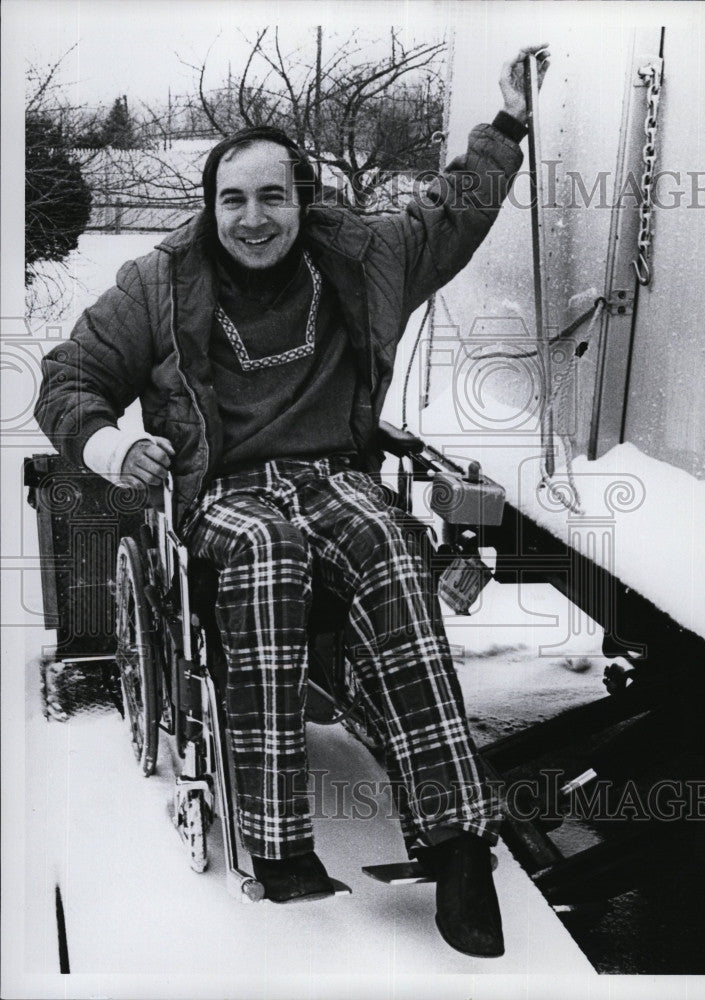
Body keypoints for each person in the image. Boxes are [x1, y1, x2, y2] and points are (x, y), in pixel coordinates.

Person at [35, 45, 550, 958]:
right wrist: (113, 443)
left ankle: (458, 840)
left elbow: (454, 214)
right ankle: (277, 844)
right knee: (266, 552)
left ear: (302, 199)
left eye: (272, 196)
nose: (252, 217)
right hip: (224, 492)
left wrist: (507, 122)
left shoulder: (362, 256)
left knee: (392, 543)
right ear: (210, 205)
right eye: (232, 199)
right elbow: (70, 377)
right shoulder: (157, 282)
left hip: (334, 474)